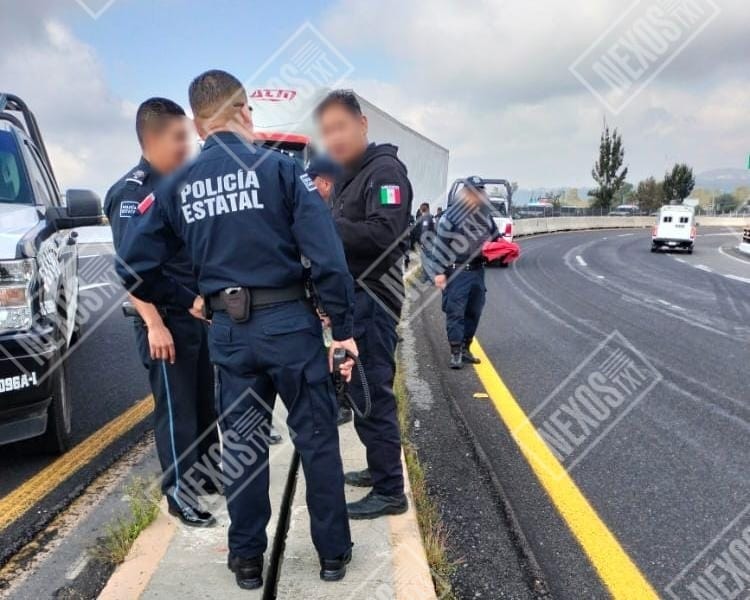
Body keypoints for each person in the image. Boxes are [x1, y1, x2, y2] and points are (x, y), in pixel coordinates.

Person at [116, 70, 358, 588]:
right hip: (289, 326)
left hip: (227, 331)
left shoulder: (177, 185)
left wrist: (188, 299)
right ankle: (333, 555)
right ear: (244, 111)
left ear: (198, 124)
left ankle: (247, 559)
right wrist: (342, 329)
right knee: (316, 439)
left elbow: (132, 265)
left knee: (243, 447)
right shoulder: (281, 170)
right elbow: (328, 257)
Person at [104, 97, 219, 527]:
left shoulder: (179, 184)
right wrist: (154, 323)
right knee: (177, 410)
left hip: (194, 314)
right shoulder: (132, 193)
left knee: (203, 402)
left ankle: (208, 476)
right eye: (178, 138)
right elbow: (131, 269)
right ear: (151, 140)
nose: (186, 147)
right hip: (164, 319)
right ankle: (179, 494)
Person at [315, 89, 412, 520]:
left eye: (341, 127)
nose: (334, 138)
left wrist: (325, 225)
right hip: (353, 300)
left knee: (373, 392)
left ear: (362, 124)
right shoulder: (348, 177)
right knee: (359, 393)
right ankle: (378, 469)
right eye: (327, 131)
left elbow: (385, 235)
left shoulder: (385, 172)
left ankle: (390, 490)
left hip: (373, 301)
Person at [433, 176, 500, 369]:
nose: (477, 195)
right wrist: (439, 272)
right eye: (473, 191)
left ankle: (466, 348)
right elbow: (440, 245)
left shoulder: (486, 216)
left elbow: (496, 238)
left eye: (480, 191)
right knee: (455, 312)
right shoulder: (451, 216)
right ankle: (455, 352)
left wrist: (501, 250)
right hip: (457, 271)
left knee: (474, 311)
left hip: (478, 271)